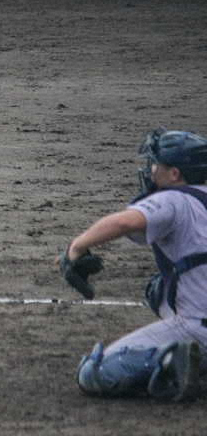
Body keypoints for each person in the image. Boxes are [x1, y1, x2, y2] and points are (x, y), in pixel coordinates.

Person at [58, 128, 207, 401]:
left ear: (175, 174)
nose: (151, 171)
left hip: (198, 326)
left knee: (95, 372)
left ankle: (174, 361)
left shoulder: (173, 199)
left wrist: (76, 248)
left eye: (156, 165)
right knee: (159, 289)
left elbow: (126, 222)